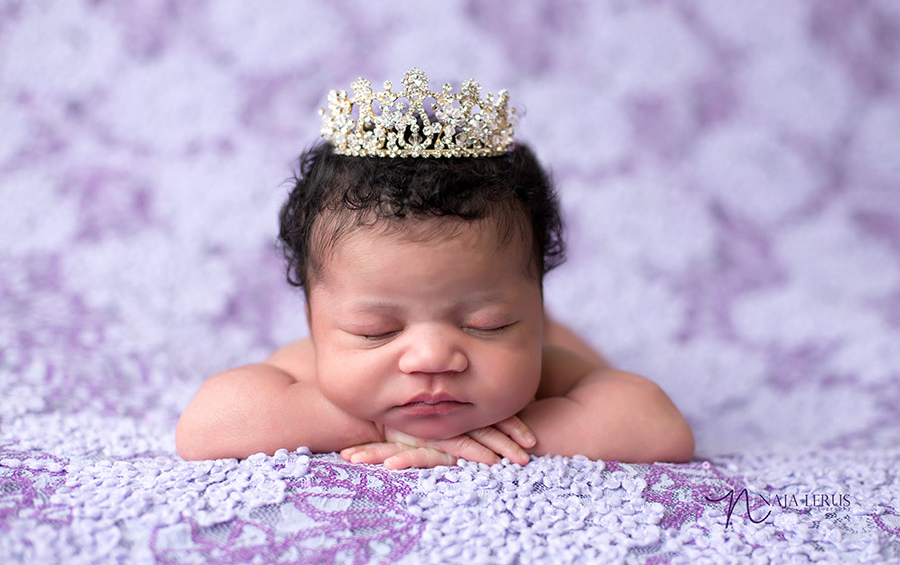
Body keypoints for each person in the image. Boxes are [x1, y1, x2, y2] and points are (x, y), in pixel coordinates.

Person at [176, 69, 694, 469]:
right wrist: (381, 428)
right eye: (375, 331)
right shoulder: (305, 370)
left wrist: (513, 438)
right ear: (313, 320)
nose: (432, 358)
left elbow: (660, 426)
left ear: (536, 305)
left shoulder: (549, 366)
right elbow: (204, 428)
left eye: (486, 324)